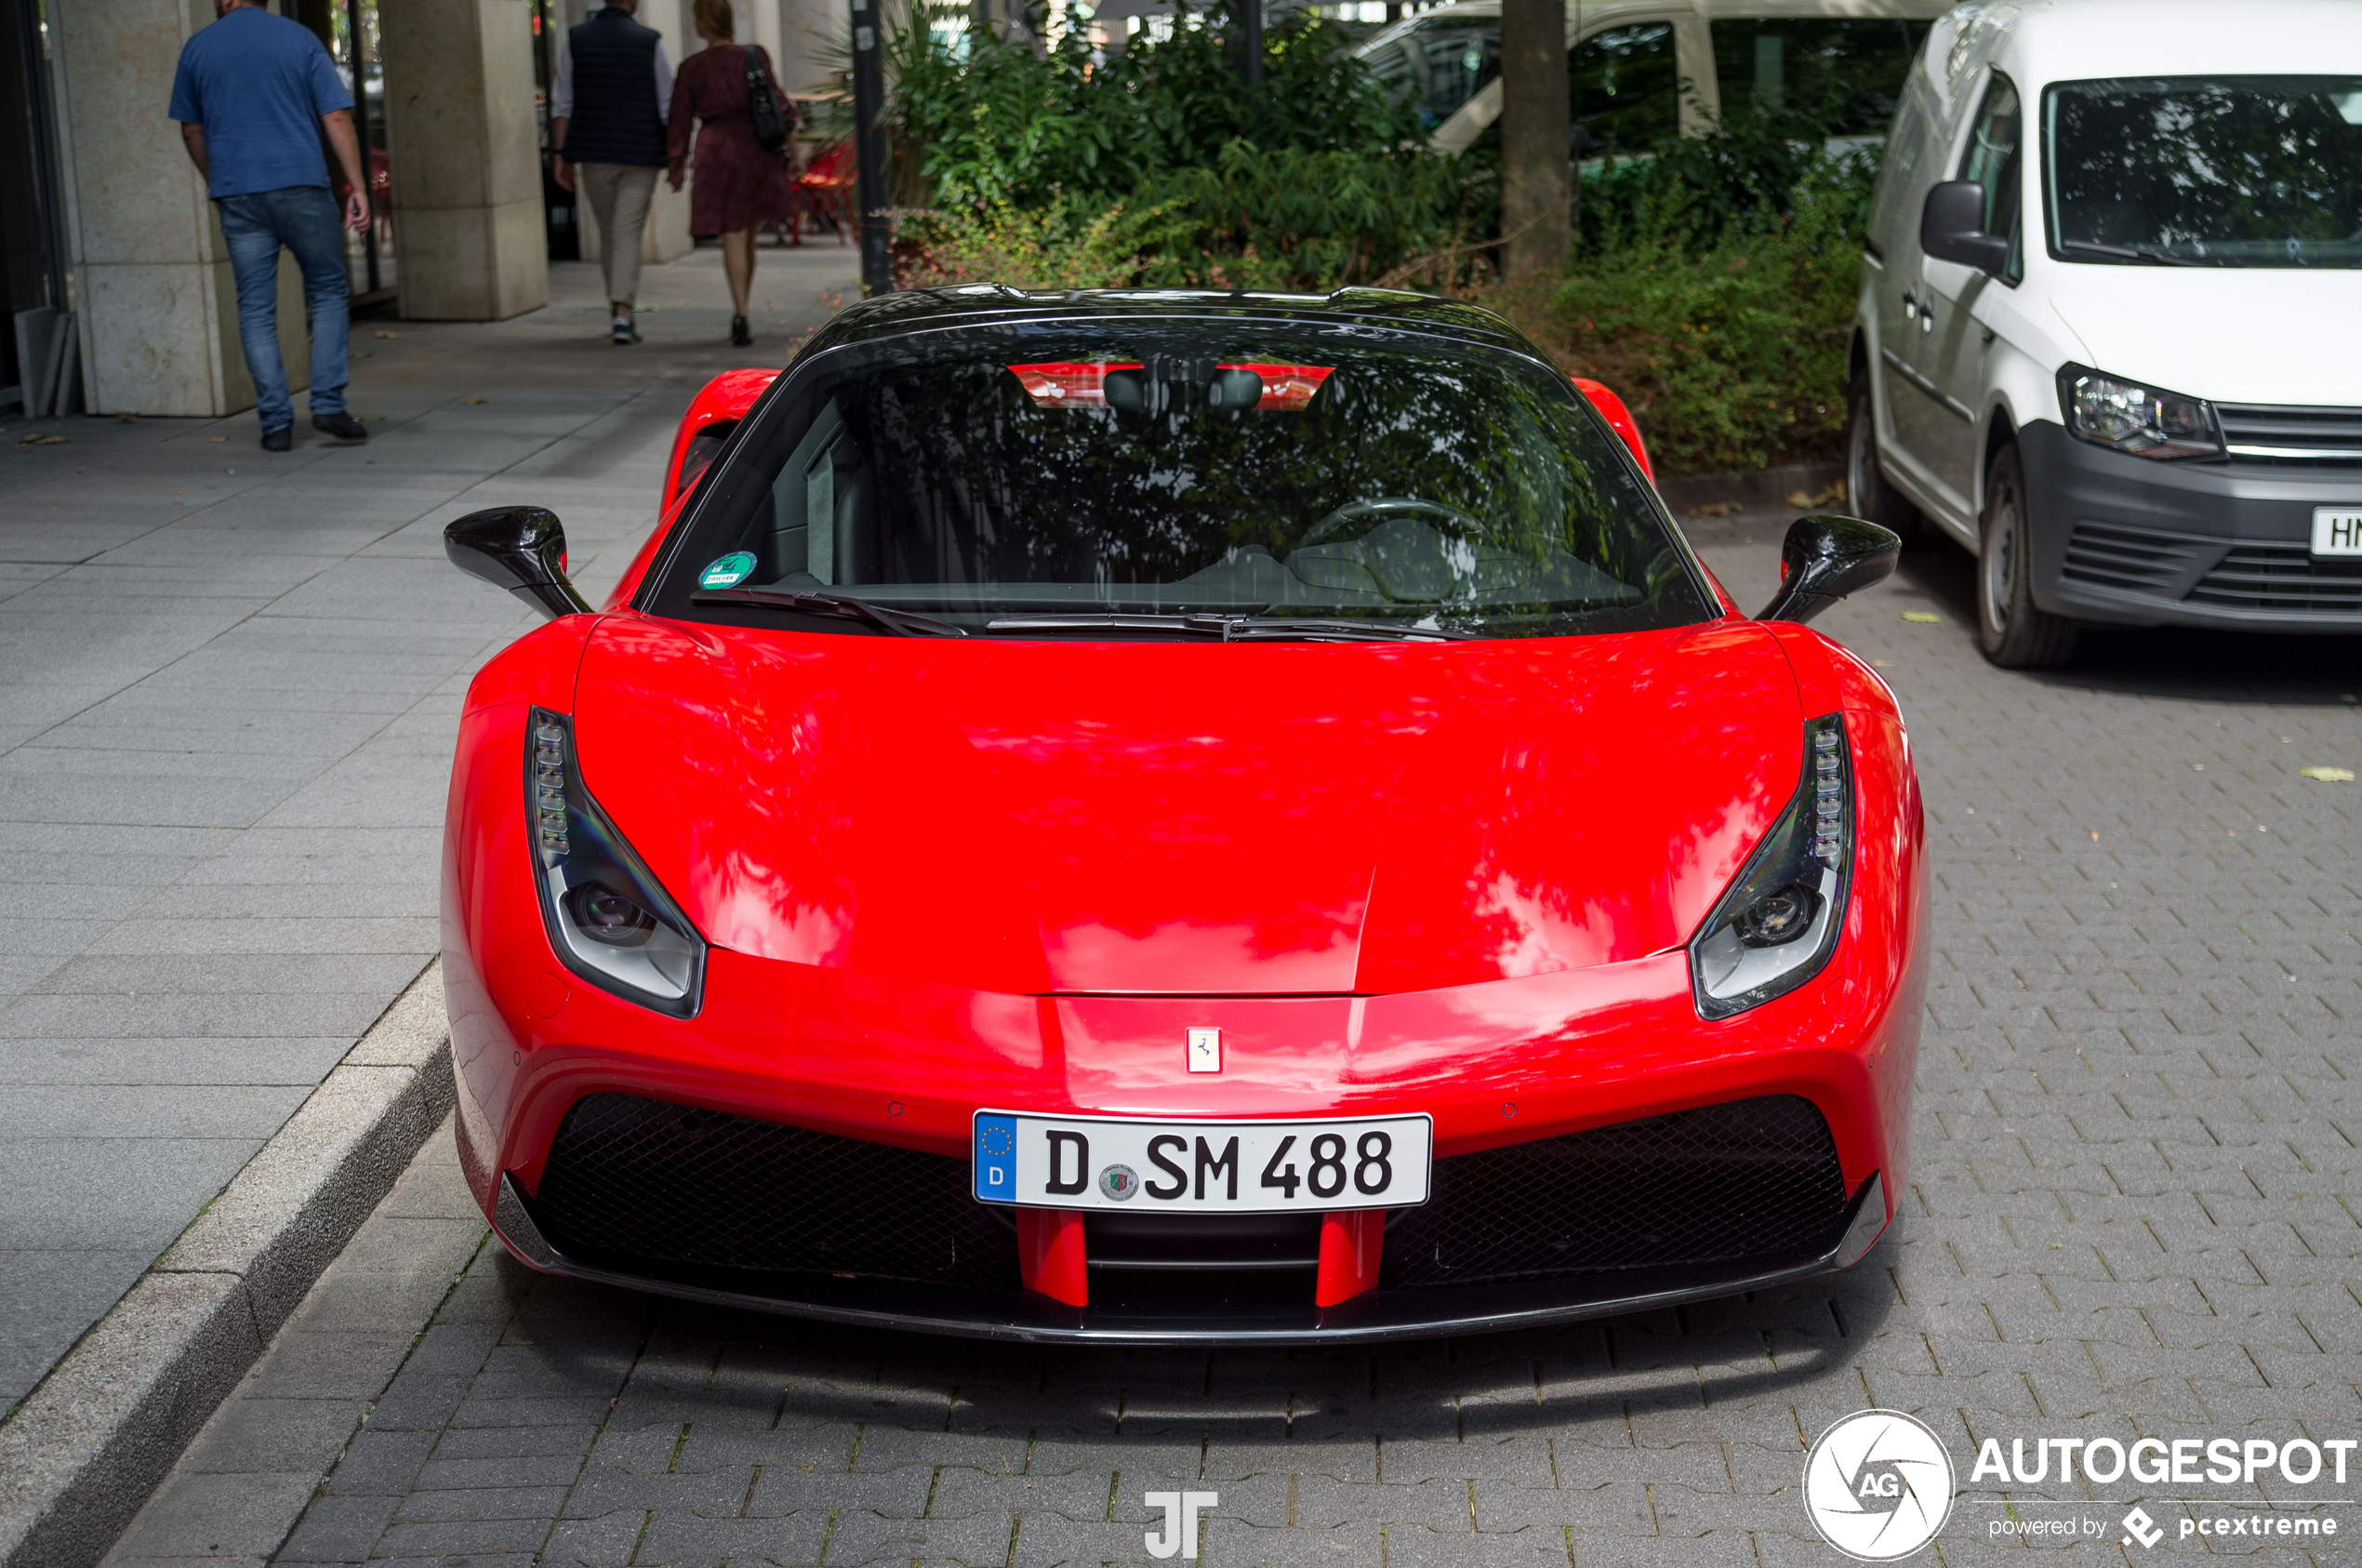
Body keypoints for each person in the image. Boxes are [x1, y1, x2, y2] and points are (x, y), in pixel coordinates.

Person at [168, 0, 369, 452]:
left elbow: (191, 131)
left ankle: (276, 424)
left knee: (256, 309)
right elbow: (335, 116)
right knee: (327, 290)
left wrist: (219, 182)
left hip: (238, 192)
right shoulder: (299, 40)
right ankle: (328, 405)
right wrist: (357, 186)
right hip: (301, 184)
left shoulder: (198, 48)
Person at [666, 0, 798, 348]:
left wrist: (676, 165)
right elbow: (781, 106)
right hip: (753, 149)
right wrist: (794, 153)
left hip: (715, 151)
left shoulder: (692, 67)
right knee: (746, 231)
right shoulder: (754, 56)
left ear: (704, 23)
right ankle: (742, 306)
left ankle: (740, 310)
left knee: (734, 232)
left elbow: (678, 121)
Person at [552, 0, 674, 345]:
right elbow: (667, 101)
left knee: (612, 232)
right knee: (625, 232)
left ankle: (620, 309)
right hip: (641, 153)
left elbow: (563, 101)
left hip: (595, 154)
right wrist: (677, 154)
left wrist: (561, 155)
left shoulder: (576, 38)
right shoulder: (650, 40)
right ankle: (622, 311)